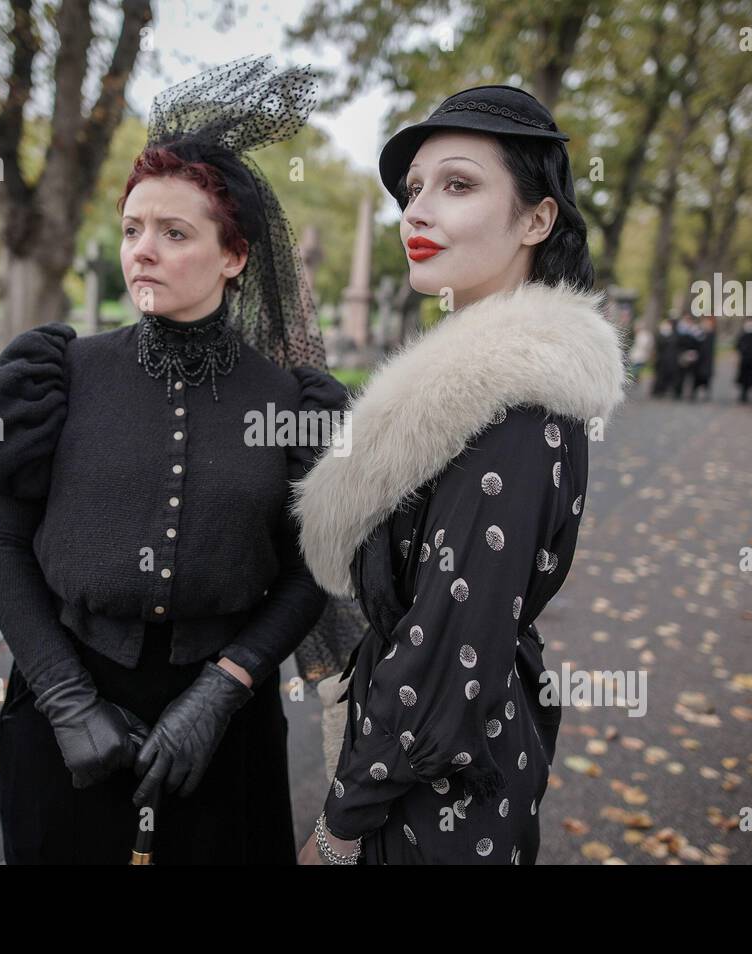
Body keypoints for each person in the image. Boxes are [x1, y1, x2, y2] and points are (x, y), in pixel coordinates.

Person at [0, 56, 347, 864]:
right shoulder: (58, 374)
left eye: (174, 233)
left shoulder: (290, 400)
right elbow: (4, 545)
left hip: (227, 708)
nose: (144, 251)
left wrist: (225, 686)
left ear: (234, 257)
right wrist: (62, 696)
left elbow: (313, 567)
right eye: (133, 230)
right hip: (65, 685)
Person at [292, 84, 626, 865]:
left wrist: (337, 831)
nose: (416, 210)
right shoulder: (466, 394)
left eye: (459, 184)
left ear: (537, 219)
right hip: (432, 755)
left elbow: (446, 657)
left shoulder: (516, 412)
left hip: (440, 790)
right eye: (413, 191)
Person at [692, 314, 717, 401]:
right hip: (699, 361)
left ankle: (706, 394)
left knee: (706, 379)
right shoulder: (699, 333)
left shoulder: (711, 334)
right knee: (696, 379)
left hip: (707, 361)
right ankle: (694, 393)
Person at [627, 321, 653, 388]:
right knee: (635, 369)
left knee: (635, 369)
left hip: (640, 356)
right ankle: (636, 381)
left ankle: (635, 381)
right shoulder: (639, 335)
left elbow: (643, 346)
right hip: (637, 356)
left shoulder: (644, 335)